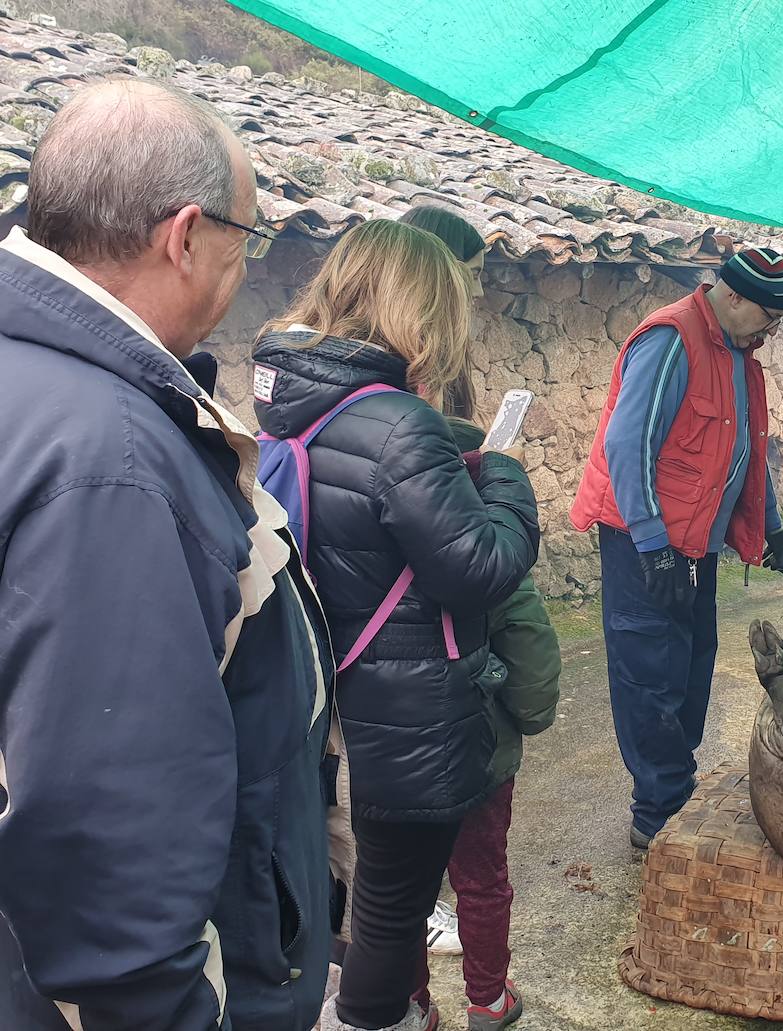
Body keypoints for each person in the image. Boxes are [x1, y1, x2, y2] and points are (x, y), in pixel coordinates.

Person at [0, 80, 335, 1030]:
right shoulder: (113, 464)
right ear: (185, 236)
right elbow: (108, 849)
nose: (241, 270)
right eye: (244, 242)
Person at [252, 218, 540, 1031]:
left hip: (331, 688)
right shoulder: (399, 423)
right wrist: (506, 481)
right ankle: (376, 1020)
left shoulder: (291, 397)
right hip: (408, 706)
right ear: (419, 306)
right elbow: (479, 566)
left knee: (353, 885)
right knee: (392, 902)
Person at [570, 247, 783, 848]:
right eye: (768, 317)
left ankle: (676, 787)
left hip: (695, 544)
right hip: (643, 542)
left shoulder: (737, 354)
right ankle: (658, 815)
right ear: (730, 296)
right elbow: (628, 445)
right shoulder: (671, 339)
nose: (772, 331)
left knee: (693, 663)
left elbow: (746, 456)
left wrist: (770, 528)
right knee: (650, 672)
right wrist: (652, 545)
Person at [400, 204, 562, 1031]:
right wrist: (531, 709)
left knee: (399, 878)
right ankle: (487, 999)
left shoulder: (357, 471)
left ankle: (412, 1003)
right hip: (473, 732)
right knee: (481, 871)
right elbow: (522, 618)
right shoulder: (472, 511)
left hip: (389, 730)